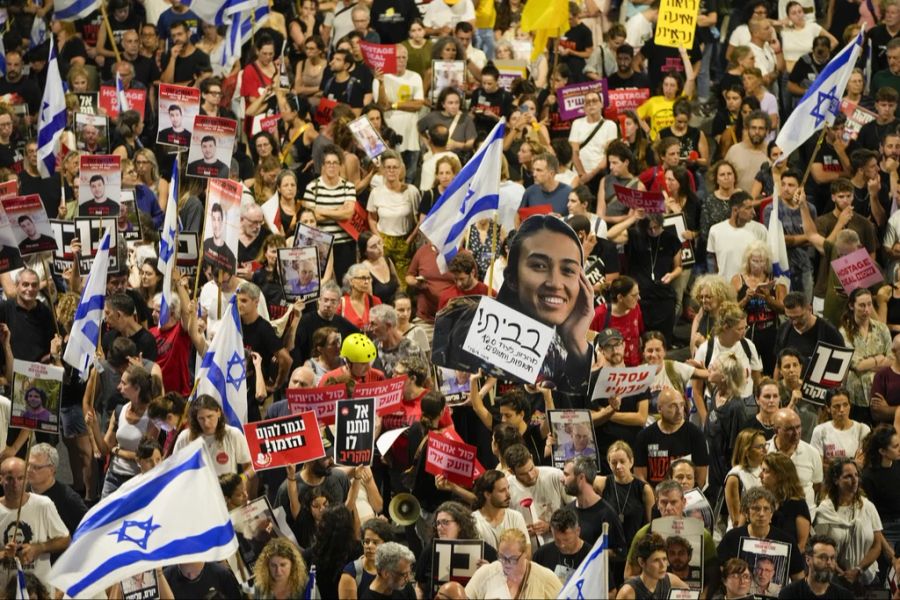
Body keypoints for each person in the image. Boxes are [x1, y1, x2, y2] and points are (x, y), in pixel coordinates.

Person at [814, 457, 889, 590]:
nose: (854, 480)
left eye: (856, 475)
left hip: (868, 578)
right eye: (848, 476)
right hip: (834, 580)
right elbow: (821, 548)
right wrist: (841, 573)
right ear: (836, 480)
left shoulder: (868, 507)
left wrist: (858, 570)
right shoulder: (825, 510)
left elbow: (877, 545)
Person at [0, 457, 70, 585]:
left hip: (39, 590)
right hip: (6, 591)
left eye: (20, 478)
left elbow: (65, 540)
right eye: (10, 479)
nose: (15, 484)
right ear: (1, 479)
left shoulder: (43, 504)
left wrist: (39, 548)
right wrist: (5, 554)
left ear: (27, 479)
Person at [633, 388, 710, 488]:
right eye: (672, 406)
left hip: (686, 498)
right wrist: (654, 498)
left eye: (682, 405)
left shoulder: (695, 434)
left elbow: (700, 478)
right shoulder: (644, 436)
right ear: (659, 409)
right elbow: (640, 476)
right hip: (654, 498)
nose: (679, 411)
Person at [839, 288, 893, 423]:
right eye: (862, 305)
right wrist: (878, 359)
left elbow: (892, 360)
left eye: (869, 304)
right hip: (856, 398)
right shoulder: (844, 332)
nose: (867, 310)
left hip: (882, 396)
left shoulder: (882, 328)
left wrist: (868, 364)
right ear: (852, 306)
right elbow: (856, 365)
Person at [172, 395, 254, 479]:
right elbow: (174, 468)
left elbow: (250, 465)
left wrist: (243, 479)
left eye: (210, 416)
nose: (206, 423)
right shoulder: (185, 437)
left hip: (225, 490)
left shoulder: (233, 434)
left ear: (218, 412)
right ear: (195, 418)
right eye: (201, 419)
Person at [465, 528, 562, 599]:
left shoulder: (544, 577)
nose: (506, 563)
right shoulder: (487, 572)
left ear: (525, 554)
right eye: (502, 557)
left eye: (512, 559)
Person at [562, 456, 627, 551]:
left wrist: (593, 553)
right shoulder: (566, 511)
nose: (562, 479)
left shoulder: (607, 514)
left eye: (566, 475)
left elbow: (620, 552)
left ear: (581, 478)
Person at [25, 443, 86, 539]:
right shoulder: (21, 491)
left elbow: (86, 530)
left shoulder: (68, 499)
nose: (29, 470)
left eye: (36, 467)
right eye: (28, 465)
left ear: (51, 469)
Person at [760, 452, 812, 551]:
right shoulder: (763, 501)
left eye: (765, 471)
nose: (760, 475)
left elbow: (801, 545)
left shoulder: (798, 505)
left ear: (779, 475)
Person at [778, 534, 854, 599]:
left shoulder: (845, 596)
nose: (829, 562)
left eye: (832, 558)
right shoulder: (789, 594)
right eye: (823, 557)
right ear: (808, 560)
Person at [810, 388, 871, 469]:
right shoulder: (820, 431)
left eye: (845, 405)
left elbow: (863, 463)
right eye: (836, 406)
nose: (842, 410)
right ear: (828, 408)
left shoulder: (863, 429)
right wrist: (852, 463)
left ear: (850, 406)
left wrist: (831, 464)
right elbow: (817, 465)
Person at [617, 532, 690, 599]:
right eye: (656, 560)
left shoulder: (670, 579)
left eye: (664, 559)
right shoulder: (628, 592)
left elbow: (692, 595)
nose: (663, 565)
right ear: (642, 562)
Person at [532, 507, 592, 587]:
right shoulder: (541, 555)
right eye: (557, 540)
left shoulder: (592, 556)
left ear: (578, 531)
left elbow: (611, 592)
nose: (562, 545)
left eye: (567, 540)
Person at [724, 429, 766, 530]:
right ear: (746, 451)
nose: (764, 450)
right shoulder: (735, 476)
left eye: (765, 446)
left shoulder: (765, 470)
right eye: (759, 447)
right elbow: (736, 519)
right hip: (742, 532)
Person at [203, 203, 237, 273]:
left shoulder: (230, 256)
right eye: (214, 219)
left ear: (223, 221)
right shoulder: (205, 243)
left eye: (218, 219)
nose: (216, 225)